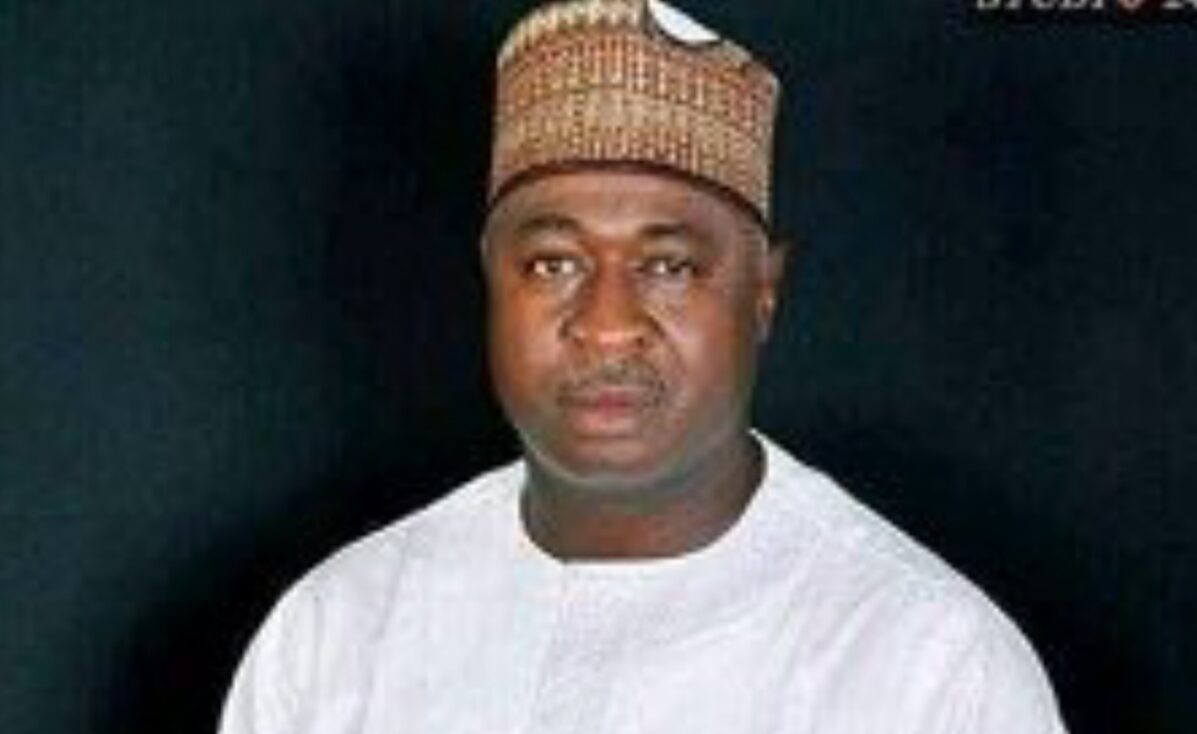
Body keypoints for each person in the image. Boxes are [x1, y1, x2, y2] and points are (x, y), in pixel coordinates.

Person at [218, 1, 1069, 732]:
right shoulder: (337, 634)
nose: (608, 325)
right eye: (553, 263)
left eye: (670, 266)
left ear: (763, 294)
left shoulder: (931, 670)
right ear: (489, 278)